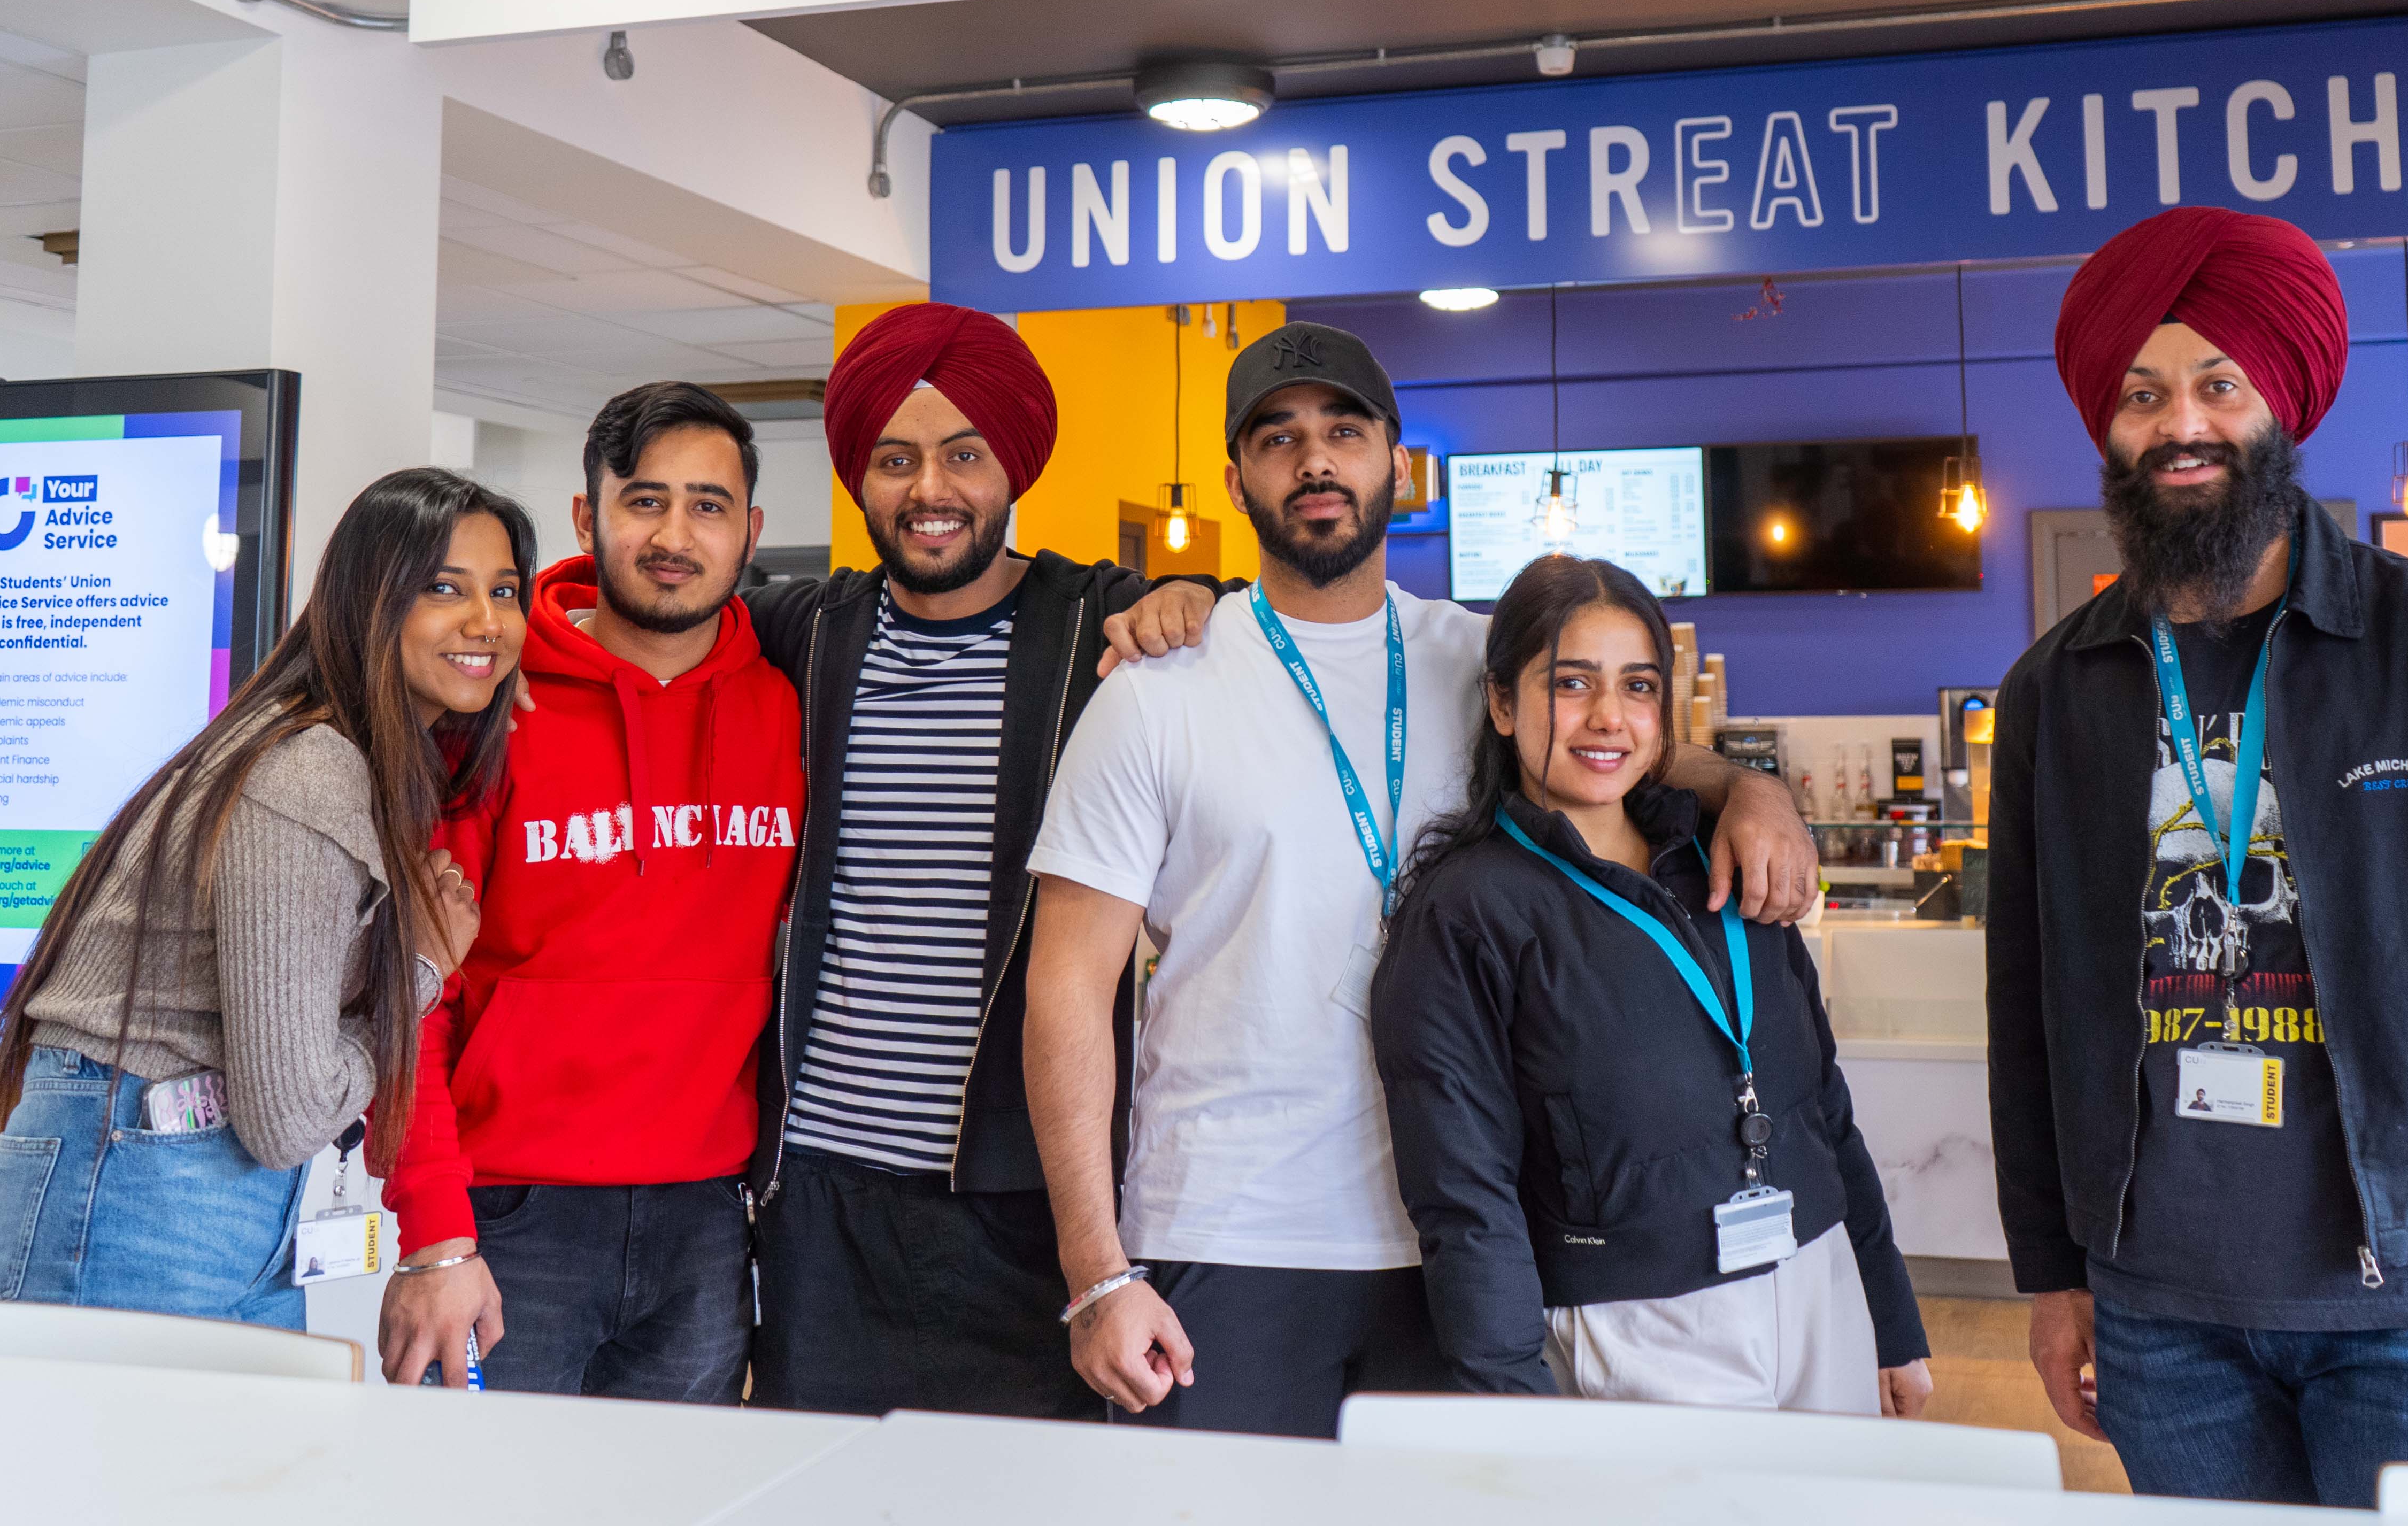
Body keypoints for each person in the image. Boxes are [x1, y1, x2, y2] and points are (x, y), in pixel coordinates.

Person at [1025, 320, 1818, 1439]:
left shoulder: (1476, 659)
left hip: (1474, 1232)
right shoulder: (1158, 692)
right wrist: (1098, 1271)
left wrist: (1747, 789)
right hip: (1228, 1236)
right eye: (1278, 437)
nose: (1315, 461)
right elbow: (1066, 987)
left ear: (1396, 464)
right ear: (1236, 476)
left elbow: (1621, 742)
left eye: (1344, 432)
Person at [1987, 207, 2408, 1507]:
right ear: (2107, 423)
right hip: (2156, 1313)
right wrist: (2052, 1269)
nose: (2180, 421)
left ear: (2278, 405)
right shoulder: (2053, 692)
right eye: (2142, 392)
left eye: (2218, 382)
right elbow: (2030, 1009)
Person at [735, 303, 1221, 1417]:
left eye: (964, 454)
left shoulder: (1101, 625)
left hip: (1023, 1195)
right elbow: (626, 610)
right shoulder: (807, 631)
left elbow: (1313, 641)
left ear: (1014, 466)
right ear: (860, 473)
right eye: (896, 458)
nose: (929, 489)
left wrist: (1710, 775)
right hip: (817, 1193)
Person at [1374, 553, 1933, 1413]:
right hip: (1636, 1325)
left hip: (1820, 1281)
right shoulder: (1469, 911)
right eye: (1571, 683)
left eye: (1638, 687)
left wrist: (1889, 1317)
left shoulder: (1730, 855)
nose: (1608, 718)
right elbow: (1464, 1198)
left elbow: (1822, 1103)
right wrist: (1514, 1403)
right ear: (1500, 702)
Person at [0, 468, 518, 1324]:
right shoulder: (309, 768)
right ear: (374, 604)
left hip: (194, 1174)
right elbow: (288, 1115)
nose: (487, 621)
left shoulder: (347, 760)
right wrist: (422, 969)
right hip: (140, 1181)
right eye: (445, 588)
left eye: (505, 591)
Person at [377, 383, 804, 1398]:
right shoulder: (490, 711)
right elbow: (407, 991)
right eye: (643, 500)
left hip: (708, 1218)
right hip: (513, 1217)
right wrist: (435, 1230)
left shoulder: (783, 706)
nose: (674, 533)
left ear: (751, 532)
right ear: (586, 517)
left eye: (708, 505)